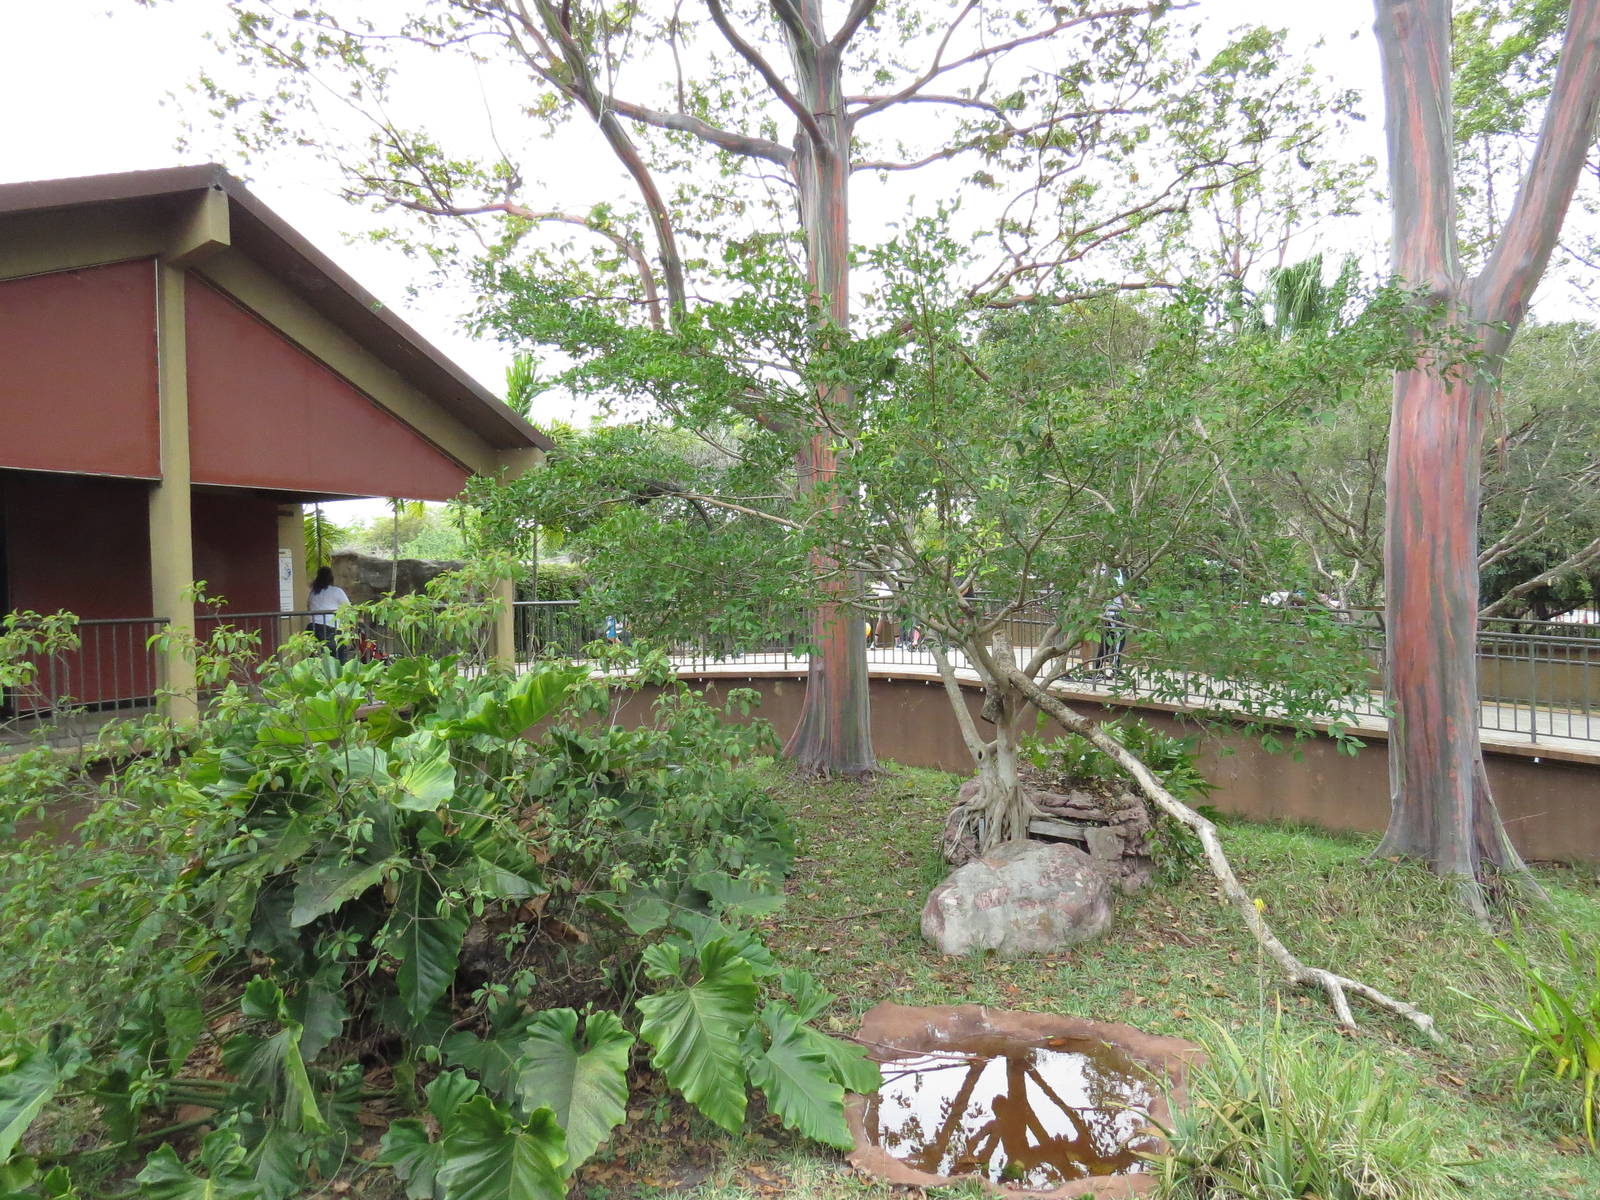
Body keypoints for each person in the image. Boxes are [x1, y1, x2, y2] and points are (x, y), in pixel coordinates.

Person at [306, 566, 353, 662]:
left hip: (313, 628)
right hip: (330, 628)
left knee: (317, 655)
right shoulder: (336, 591)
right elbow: (348, 607)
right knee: (339, 655)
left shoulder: (314, 592)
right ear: (331, 578)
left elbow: (309, 606)